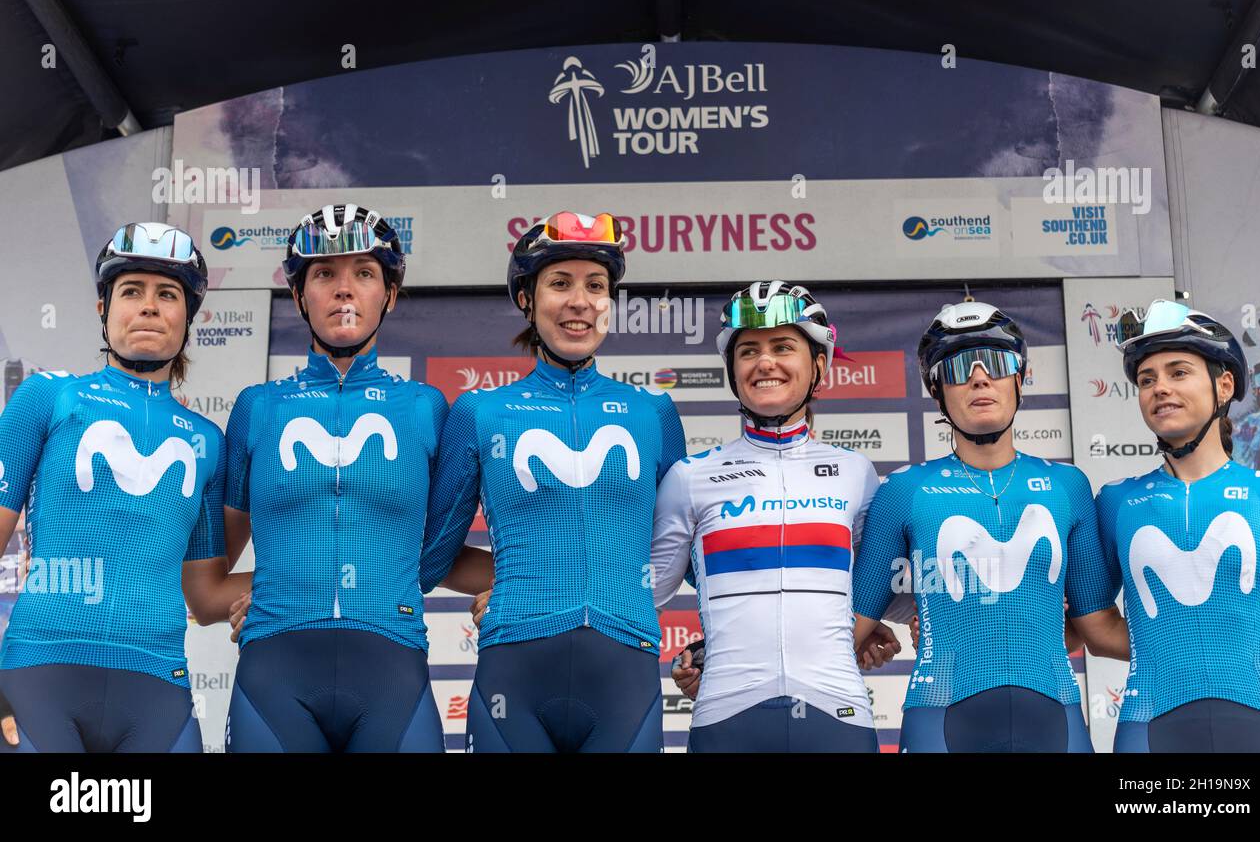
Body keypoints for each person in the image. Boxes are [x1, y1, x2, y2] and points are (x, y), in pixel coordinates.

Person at [421, 211, 686, 752]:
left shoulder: (654, 412)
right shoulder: (480, 410)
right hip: (514, 670)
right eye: (559, 284)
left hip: (626, 670)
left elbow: (688, 550)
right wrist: (523, 577)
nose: (580, 301)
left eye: (596, 285)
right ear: (527, 298)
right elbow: (430, 559)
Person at [222, 204, 472, 752]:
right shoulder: (256, 407)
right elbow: (207, 582)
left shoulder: (428, 408)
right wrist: (263, 590)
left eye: (363, 273)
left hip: (393, 666)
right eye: (324, 274)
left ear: (389, 295)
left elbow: (438, 553)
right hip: (274, 670)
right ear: (298, 296)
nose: (344, 290)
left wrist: (530, 590)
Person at [0, 222, 241, 751]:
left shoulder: (209, 442)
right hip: (41, 673)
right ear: (103, 310)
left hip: (159, 689)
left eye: (167, 294)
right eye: (131, 291)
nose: (149, 306)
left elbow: (204, 597)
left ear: (188, 318)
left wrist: (306, 586)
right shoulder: (48, 397)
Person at [850, 301, 1128, 752]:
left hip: (1055, 718)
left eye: (997, 362)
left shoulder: (1068, 486)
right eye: (959, 367)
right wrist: (730, 669)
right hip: (940, 716)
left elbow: (1095, 629)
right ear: (937, 390)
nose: (980, 377)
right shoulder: (903, 491)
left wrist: (1224, 647)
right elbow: (851, 629)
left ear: (1020, 378)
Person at [651, 281, 905, 752]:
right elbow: (642, 594)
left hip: (837, 711)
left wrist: (873, 630)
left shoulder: (856, 472)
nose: (765, 362)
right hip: (727, 711)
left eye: (783, 346)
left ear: (820, 366)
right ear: (732, 370)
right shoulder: (690, 476)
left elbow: (880, 587)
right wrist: (518, 596)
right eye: (748, 351)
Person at [1093, 299, 1260, 752]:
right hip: (1149, 719)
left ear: (1223, 386)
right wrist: (1187, 639)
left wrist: (1243, 646)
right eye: (1147, 379)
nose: (1160, 388)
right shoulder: (1114, 501)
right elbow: (1090, 623)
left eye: (1178, 372)